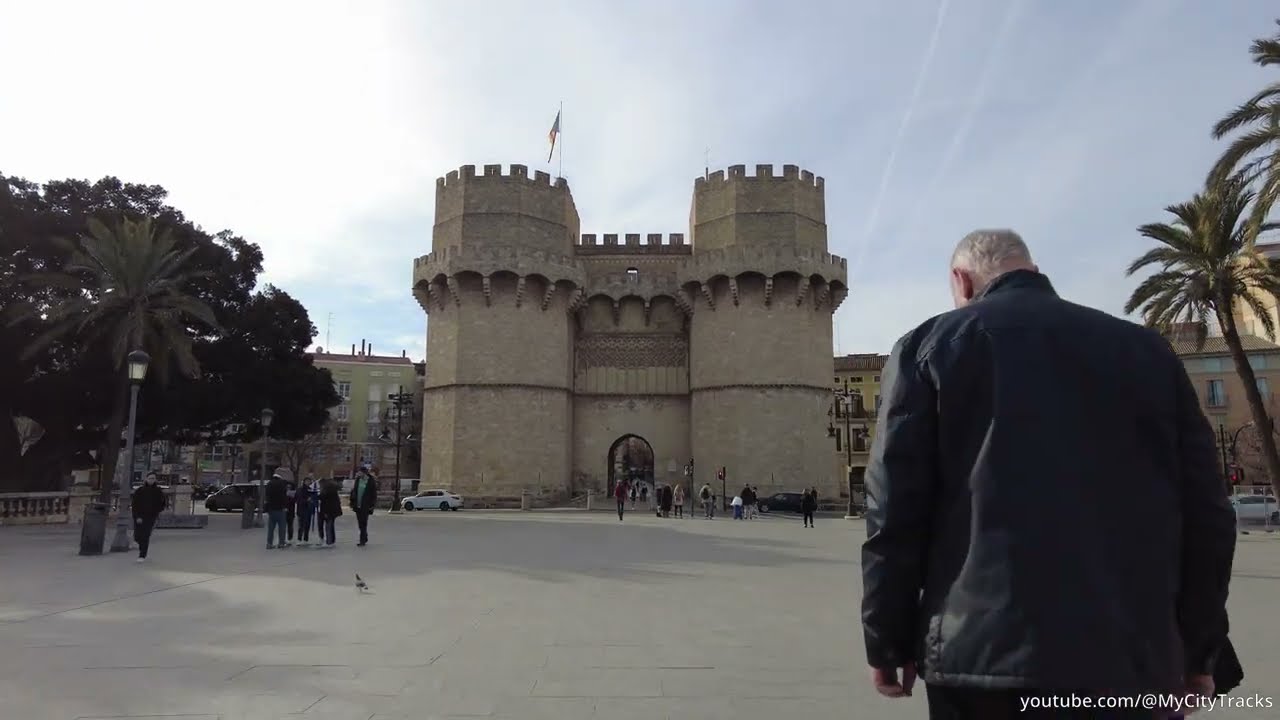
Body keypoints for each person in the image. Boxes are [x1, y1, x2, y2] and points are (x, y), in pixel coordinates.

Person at [860, 230, 1237, 719]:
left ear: (962, 280)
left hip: (980, 661)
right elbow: (1209, 515)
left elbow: (892, 512)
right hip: (1133, 661)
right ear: (1034, 271)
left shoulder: (927, 348)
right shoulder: (1148, 352)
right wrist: (1199, 650)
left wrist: (887, 641)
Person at [131, 472, 167, 562]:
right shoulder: (140, 490)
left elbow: (163, 503)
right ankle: (141, 546)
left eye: (153, 478)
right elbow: (134, 504)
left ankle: (142, 555)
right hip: (139, 515)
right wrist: (136, 516)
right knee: (138, 536)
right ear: (146, 479)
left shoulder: (158, 491)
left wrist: (157, 511)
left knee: (145, 535)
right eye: (150, 478)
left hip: (150, 516)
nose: (151, 480)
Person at [350, 465, 379, 546]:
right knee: (360, 523)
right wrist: (352, 502)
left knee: (363, 522)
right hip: (357, 505)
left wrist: (372, 505)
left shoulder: (370, 481)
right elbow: (354, 491)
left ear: (364, 473)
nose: (358, 473)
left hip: (365, 505)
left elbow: (374, 494)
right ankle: (364, 536)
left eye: (360, 472)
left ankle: (362, 540)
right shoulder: (358, 480)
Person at [264, 472, 289, 549]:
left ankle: (269, 543)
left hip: (271, 509)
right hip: (280, 509)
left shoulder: (269, 484)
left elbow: (267, 497)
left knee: (271, 528)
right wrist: (285, 506)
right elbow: (284, 496)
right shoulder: (282, 484)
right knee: (282, 527)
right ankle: (281, 543)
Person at [318, 477, 342, 547]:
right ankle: (332, 540)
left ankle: (329, 541)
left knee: (328, 526)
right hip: (333, 511)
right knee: (331, 526)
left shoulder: (327, 491)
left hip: (329, 511)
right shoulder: (332, 490)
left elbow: (325, 501)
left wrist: (325, 512)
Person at [295, 475, 315, 546]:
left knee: (307, 525)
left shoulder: (310, 489)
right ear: (304, 482)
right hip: (301, 510)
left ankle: (306, 539)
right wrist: (307, 500)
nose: (308, 482)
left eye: (309, 481)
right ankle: (299, 539)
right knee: (301, 525)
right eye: (307, 481)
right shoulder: (300, 490)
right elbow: (298, 500)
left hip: (308, 510)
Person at [284, 476, 298, 544]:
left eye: (289, 487)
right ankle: (284, 538)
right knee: (284, 525)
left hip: (291, 511)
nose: (288, 488)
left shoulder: (294, 493)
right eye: (287, 487)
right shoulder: (283, 493)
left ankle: (290, 538)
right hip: (285, 511)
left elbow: (295, 501)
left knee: (290, 525)